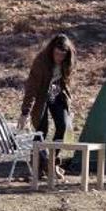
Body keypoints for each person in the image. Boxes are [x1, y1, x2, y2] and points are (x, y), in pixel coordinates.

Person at [18, 34, 75, 178]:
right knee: (41, 130)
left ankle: (52, 163)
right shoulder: (41, 62)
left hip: (57, 95)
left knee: (62, 126)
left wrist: (68, 103)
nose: (59, 58)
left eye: (62, 55)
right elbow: (31, 88)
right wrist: (25, 112)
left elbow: (66, 81)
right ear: (51, 51)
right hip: (41, 96)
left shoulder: (68, 61)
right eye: (57, 54)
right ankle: (37, 167)